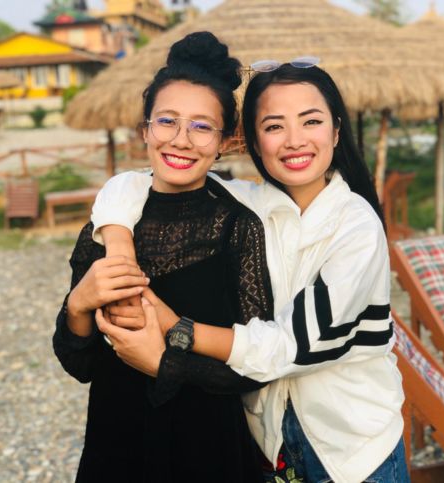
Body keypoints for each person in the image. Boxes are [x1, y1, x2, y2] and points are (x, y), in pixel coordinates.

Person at [93, 62, 408, 482]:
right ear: (254, 142)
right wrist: (119, 251)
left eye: (311, 121)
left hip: (351, 449)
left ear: (335, 131)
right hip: (270, 442)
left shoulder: (357, 227)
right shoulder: (248, 206)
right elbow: (131, 183)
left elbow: (292, 346)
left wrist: (175, 331)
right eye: (274, 126)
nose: (294, 140)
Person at [52, 31, 274, 483]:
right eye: (167, 121)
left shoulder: (238, 227)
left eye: (201, 126)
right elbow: (80, 365)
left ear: (224, 141)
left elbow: (256, 368)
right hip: (118, 441)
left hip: (208, 445)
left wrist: (166, 363)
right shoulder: (109, 223)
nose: (181, 140)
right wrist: (78, 304)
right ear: (145, 130)